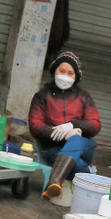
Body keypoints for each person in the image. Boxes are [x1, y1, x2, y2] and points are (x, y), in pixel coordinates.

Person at [28, 50, 101, 200]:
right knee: (80, 169)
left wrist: (72, 126)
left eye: (70, 73)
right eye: (62, 71)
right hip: (52, 149)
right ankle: (82, 184)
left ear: (76, 77)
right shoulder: (42, 96)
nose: (65, 76)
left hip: (82, 147)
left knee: (75, 140)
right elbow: (35, 126)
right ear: (55, 71)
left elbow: (95, 124)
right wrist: (60, 133)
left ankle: (54, 181)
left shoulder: (83, 97)